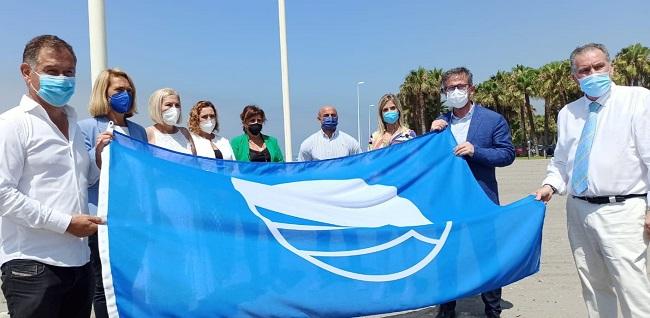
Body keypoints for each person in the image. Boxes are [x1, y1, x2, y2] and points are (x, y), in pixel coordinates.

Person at [534, 43, 650, 318]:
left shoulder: (638, 100)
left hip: (623, 211)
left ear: (611, 67)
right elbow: (561, 162)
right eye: (584, 70)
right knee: (594, 285)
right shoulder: (568, 113)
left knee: (632, 287)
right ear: (575, 77)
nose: (593, 73)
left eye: (598, 67)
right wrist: (550, 185)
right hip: (578, 209)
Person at [0, 34, 106, 318]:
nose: (62, 79)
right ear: (27, 72)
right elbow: (3, 194)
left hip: (79, 264)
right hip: (32, 267)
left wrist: (96, 161)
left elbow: (82, 182)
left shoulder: (73, 123)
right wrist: (64, 223)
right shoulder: (12, 125)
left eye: (68, 72)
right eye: (52, 71)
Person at [430, 67, 515, 318]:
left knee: (486, 255)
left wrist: (476, 151)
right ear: (444, 92)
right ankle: (447, 309)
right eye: (450, 88)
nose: (456, 91)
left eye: (461, 86)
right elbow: (430, 160)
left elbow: (507, 154)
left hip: (482, 198)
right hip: (448, 202)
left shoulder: (492, 120)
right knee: (448, 257)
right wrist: (432, 135)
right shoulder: (441, 122)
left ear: (471, 89)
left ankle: (492, 309)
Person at [77, 68, 148, 318]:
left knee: (132, 281)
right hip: (103, 219)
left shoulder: (138, 131)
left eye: (129, 90)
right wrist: (98, 154)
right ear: (103, 93)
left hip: (132, 217)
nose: (125, 95)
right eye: (119, 90)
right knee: (103, 284)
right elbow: (84, 180)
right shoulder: (85, 128)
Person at [145, 88, 196, 155]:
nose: (174, 109)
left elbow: (195, 161)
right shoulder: (148, 133)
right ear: (157, 107)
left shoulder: (184, 132)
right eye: (169, 105)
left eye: (177, 105)